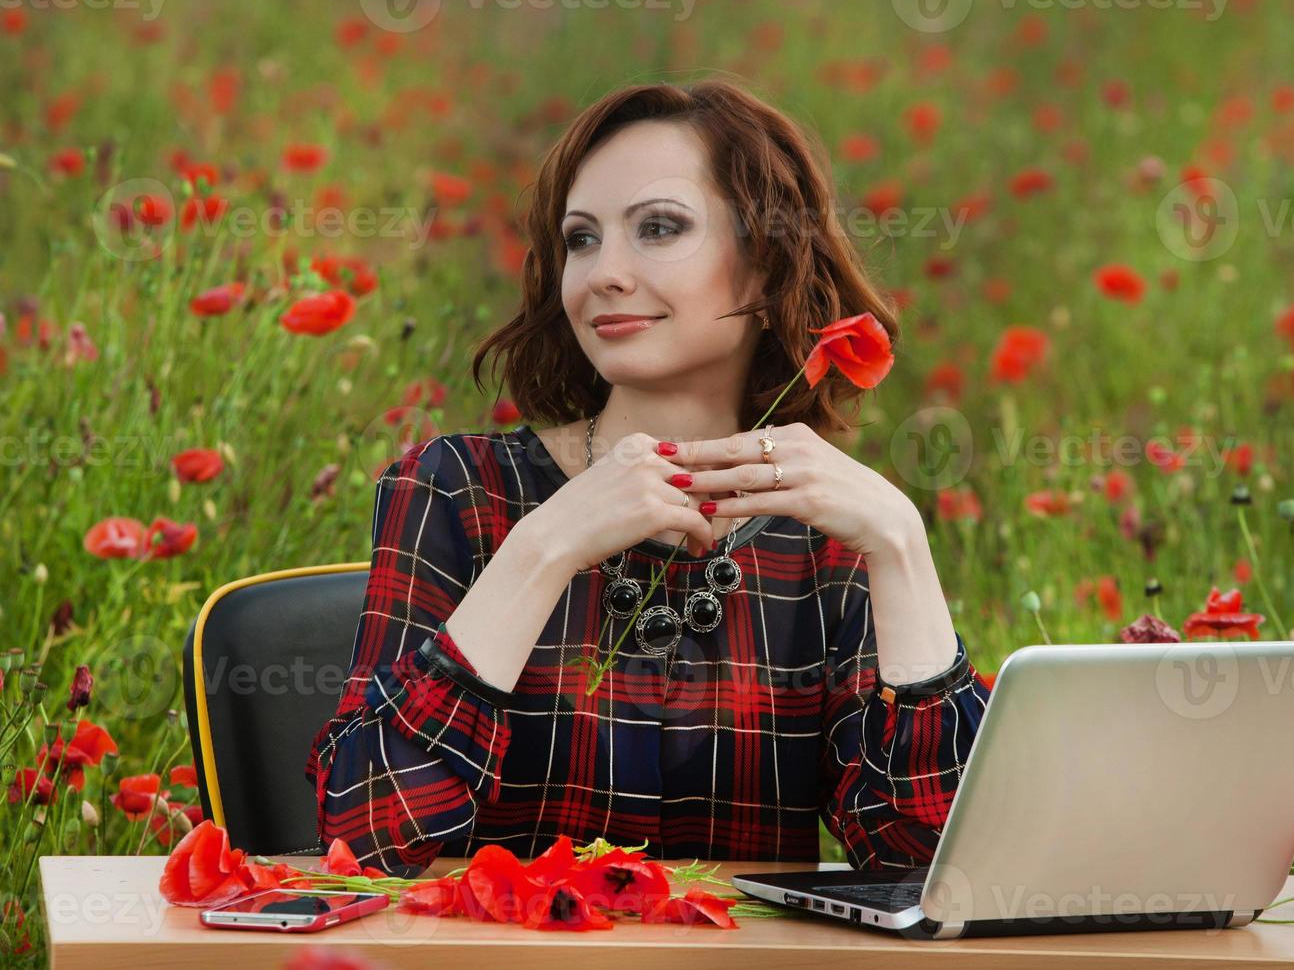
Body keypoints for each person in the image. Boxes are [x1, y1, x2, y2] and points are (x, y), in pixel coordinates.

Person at [305, 78, 990, 877]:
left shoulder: (830, 537)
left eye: (658, 229)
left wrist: (902, 546)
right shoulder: (457, 488)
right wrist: (546, 547)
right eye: (582, 239)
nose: (603, 273)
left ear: (768, 268)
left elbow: (930, 860)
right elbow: (370, 832)